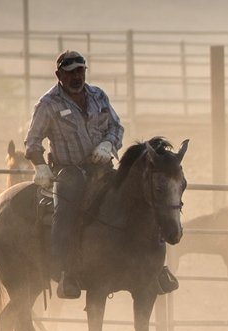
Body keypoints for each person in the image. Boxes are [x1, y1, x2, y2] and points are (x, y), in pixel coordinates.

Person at [25, 50, 178, 299]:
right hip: (69, 171)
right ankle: (66, 272)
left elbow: (116, 126)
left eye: (80, 71)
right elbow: (32, 141)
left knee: (142, 198)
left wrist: (108, 144)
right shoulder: (48, 104)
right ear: (59, 75)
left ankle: (156, 267)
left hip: (102, 168)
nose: (77, 76)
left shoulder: (98, 95)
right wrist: (40, 165)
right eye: (71, 72)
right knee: (65, 209)